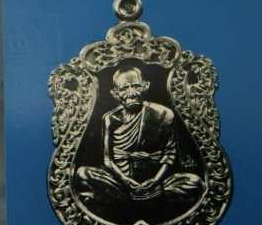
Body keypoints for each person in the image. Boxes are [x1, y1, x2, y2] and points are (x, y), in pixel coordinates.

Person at [76, 67, 202, 205]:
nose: (131, 93)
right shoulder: (110, 119)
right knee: (83, 174)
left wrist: (155, 180)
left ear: (145, 86)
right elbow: (108, 160)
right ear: (115, 93)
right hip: (121, 184)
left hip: (157, 183)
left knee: (194, 182)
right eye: (124, 88)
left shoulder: (163, 114)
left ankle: (121, 200)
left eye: (135, 86)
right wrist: (125, 180)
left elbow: (170, 154)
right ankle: (129, 198)